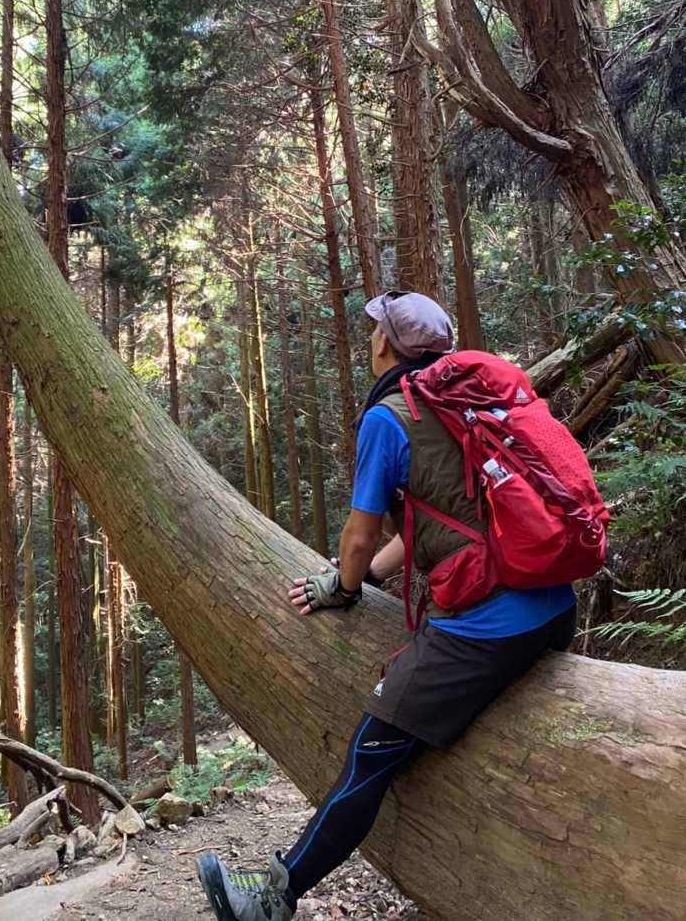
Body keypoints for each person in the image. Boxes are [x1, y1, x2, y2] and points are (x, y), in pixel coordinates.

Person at [196, 290, 578, 921]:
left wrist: (344, 586)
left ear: (384, 345)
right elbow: (446, 520)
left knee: (370, 752)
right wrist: (374, 573)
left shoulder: (389, 417)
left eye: (374, 330)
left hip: (490, 623)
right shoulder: (466, 402)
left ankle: (273, 898)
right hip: (554, 602)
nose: (370, 338)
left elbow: (359, 534)